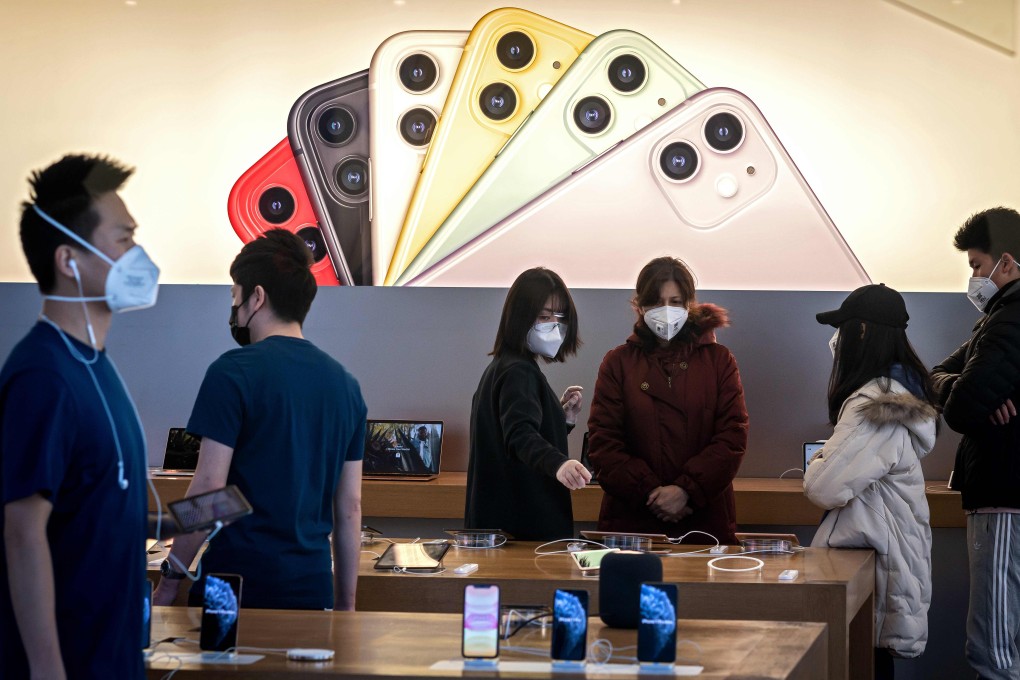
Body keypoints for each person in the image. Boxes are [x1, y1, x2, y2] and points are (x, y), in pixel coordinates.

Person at [1, 154, 157, 679]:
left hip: (112, 657)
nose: (138, 254)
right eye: (124, 239)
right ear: (70, 260)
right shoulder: (42, 378)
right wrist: (47, 669)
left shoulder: (94, 366)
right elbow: (23, 532)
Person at [153, 229, 366, 610]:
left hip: (236, 587)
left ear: (257, 296)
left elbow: (207, 491)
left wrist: (171, 576)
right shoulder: (346, 385)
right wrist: (346, 606)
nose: (235, 310)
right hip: (312, 588)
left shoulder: (232, 371)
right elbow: (349, 507)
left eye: (235, 297)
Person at [805, 283, 937, 679]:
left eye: (842, 329)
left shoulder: (876, 408)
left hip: (874, 576)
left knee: (864, 665)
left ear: (860, 332)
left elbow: (821, 485)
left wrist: (822, 457)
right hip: (880, 568)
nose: (836, 341)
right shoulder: (896, 396)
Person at [587, 256, 747, 542]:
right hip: (633, 522)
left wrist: (687, 490)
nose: (666, 311)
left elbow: (732, 436)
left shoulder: (719, 360)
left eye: (675, 301)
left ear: (689, 304)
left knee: (708, 588)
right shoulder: (618, 363)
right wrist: (651, 493)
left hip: (703, 519)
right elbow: (604, 442)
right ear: (639, 305)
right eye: (656, 302)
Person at [930, 207, 1020, 680]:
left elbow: (961, 405)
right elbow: (938, 375)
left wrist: (966, 393)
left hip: (1004, 497)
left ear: (1005, 263)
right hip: (1004, 495)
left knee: (995, 648)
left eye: (977, 266)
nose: (974, 278)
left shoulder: (1008, 320)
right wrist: (966, 389)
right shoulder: (998, 318)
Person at [464, 267, 590, 541]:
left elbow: (515, 432)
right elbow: (519, 436)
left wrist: (560, 418)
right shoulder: (519, 371)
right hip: (522, 529)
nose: (554, 325)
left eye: (560, 316)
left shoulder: (502, 367)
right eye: (544, 316)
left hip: (499, 526)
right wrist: (560, 464)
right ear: (520, 316)